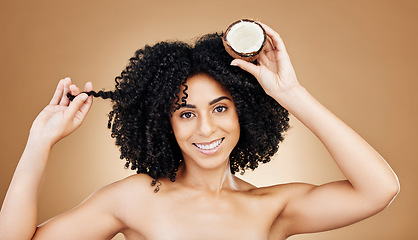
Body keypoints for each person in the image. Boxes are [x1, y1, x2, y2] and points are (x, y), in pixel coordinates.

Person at [0, 22, 399, 240]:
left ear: (244, 111)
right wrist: (39, 143)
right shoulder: (135, 197)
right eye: (186, 113)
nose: (207, 127)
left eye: (220, 108)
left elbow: (379, 190)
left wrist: (292, 94)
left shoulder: (274, 207)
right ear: (165, 123)